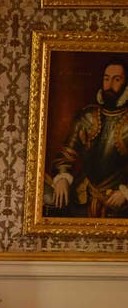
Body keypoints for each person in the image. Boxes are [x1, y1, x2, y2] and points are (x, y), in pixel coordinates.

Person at [49, 58, 128, 217]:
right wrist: (62, 177)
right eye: (106, 78)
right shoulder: (86, 116)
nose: (109, 84)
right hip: (83, 198)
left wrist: (125, 193)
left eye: (116, 79)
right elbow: (66, 155)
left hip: (118, 205)